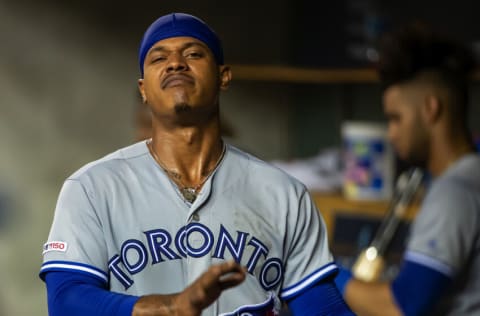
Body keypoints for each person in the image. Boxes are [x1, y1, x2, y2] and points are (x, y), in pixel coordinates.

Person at [39, 12, 354, 315]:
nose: (175, 62)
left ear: (223, 76)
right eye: (159, 58)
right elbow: (66, 300)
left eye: (193, 54)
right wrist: (171, 309)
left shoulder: (284, 194)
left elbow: (323, 309)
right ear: (143, 90)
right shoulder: (93, 188)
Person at [335, 22, 480, 315]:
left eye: (396, 118)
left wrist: (321, 272)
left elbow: (401, 307)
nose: (391, 133)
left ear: (430, 108)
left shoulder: (454, 193)